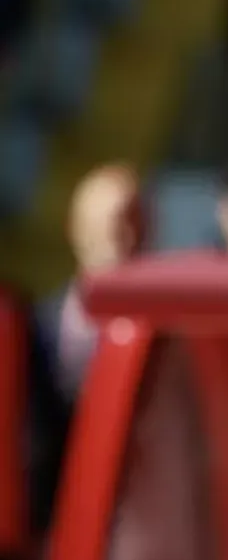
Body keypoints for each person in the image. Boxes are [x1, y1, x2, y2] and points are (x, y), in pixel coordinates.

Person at [41, 163, 151, 401]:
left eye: (136, 222)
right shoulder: (40, 328)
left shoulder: (168, 330)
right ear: (75, 228)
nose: (128, 237)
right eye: (112, 225)